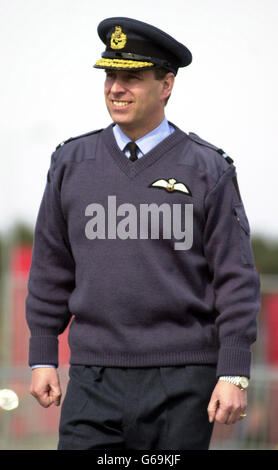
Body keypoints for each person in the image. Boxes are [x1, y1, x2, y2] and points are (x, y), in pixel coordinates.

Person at [26, 17, 260, 450]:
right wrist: (42, 354)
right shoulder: (70, 164)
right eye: (110, 76)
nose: (116, 88)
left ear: (166, 84)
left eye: (131, 77)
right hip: (93, 377)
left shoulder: (209, 169)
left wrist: (234, 371)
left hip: (182, 380)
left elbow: (236, 279)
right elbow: (49, 269)